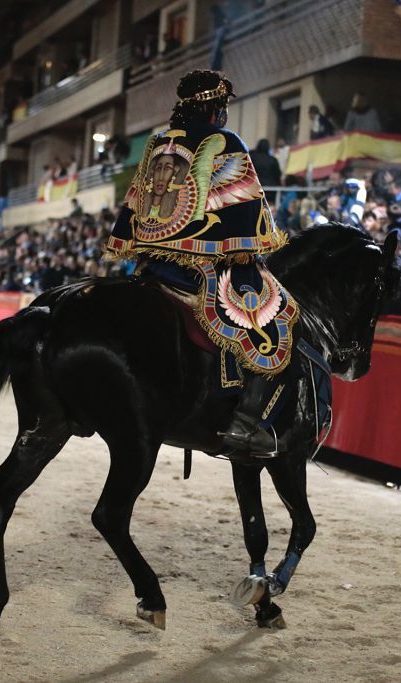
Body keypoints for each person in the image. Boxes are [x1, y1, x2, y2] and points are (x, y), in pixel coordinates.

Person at [107, 69, 297, 456]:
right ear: (213, 108)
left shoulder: (158, 144)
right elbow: (246, 213)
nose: (224, 113)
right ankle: (246, 420)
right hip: (199, 270)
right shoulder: (223, 142)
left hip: (152, 267)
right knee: (271, 311)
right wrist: (252, 253)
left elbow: (135, 211)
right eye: (222, 106)